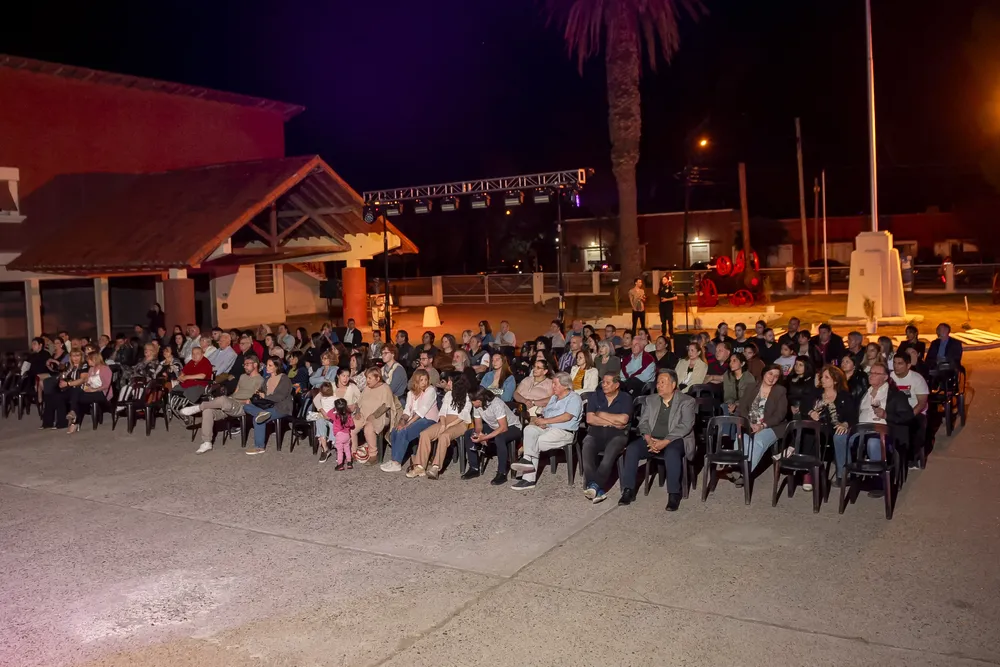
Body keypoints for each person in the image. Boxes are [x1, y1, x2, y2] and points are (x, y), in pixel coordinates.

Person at [618, 369, 696, 511]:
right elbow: (644, 423)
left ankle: (674, 494)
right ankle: (628, 490)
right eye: (658, 382)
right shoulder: (651, 400)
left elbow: (686, 425)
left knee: (672, 452)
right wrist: (649, 440)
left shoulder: (687, 401)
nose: (659, 385)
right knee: (632, 449)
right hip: (653, 438)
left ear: (673, 385)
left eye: (663, 382)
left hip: (676, 439)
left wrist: (664, 442)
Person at [510, 372, 583, 490]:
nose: (552, 386)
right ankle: (528, 461)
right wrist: (543, 421)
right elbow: (545, 413)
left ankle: (528, 477)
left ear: (565, 386)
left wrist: (546, 421)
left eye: (555, 384)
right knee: (529, 430)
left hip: (564, 431)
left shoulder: (574, 398)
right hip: (549, 428)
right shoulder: (554, 398)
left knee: (533, 443)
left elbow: (567, 417)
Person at [183, 355, 263, 454]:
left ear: (255, 365)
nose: (245, 366)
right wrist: (230, 399)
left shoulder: (260, 380)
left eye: (247, 364)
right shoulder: (242, 377)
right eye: (244, 364)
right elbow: (236, 392)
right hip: (231, 403)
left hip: (242, 406)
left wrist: (231, 400)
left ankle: (198, 407)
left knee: (222, 400)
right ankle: (207, 442)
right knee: (208, 411)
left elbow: (254, 400)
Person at [581, 372, 634, 503]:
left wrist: (600, 414)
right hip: (595, 433)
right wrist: (612, 422)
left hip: (617, 435)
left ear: (616, 385)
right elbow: (589, 419)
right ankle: (597, 490)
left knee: (608, 458)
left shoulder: (625, 398)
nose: (604, 385)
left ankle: (594, 485)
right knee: (586, 447)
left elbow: (624, 419)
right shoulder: (595, 396)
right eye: (603, 382)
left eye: (608, 383)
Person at [409, 373, 472, 479]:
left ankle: (436, 467)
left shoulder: (468, 396)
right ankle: (420, 466)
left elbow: (463, 415)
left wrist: (448, 426)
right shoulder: (448, 395)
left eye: (451, 381)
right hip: (445, 420)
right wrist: (443, 424)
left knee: (444, 436)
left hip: (459, 423)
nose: (449, 383)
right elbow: (442, 412)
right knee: (425, 434)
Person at [733, 365, 788, 485]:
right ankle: (740, 468)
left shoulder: (780, 391)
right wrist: (748, 423)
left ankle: (744, 473)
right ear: (764, 373)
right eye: (770, 374)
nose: (772, 378)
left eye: (776, 376)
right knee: (741, 441)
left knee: (758, 441)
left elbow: (780, 415)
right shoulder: (752, 387)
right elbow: (742, 408)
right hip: (750, 424)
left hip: (770, 426)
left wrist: (762, 426)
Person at [808, 365, 857, 488]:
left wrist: (845, 424)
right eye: (821, 377)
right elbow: (804, 405)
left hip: (836, 427)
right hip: (819, 426)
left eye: (826, 377)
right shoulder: (816, 392)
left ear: (835, 380)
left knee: (840, 435)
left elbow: (852, 416)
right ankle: (808, 473)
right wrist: (810, 412)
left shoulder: (844, 396)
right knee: (807, 432)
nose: (822, 380)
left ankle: (843, 475)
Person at [462, 387, 522, 484]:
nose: (471, 403)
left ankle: (501, 473)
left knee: (500, 437)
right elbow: (478, 425)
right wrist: (479, 434)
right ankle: (474, 468)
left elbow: (503, 428)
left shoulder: (496, 404)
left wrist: (485, 437)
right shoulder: (477, 406)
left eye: (472, 401)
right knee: (469, 433)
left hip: (512, 427)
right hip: (493, 426)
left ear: (479, 400)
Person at [384, 369, 439, 471]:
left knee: (404, 431)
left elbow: (422, 411)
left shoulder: (430, 390)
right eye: (421, 380)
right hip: (415, 419)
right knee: (396, 430)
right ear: (416, 381)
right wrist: (402, 421)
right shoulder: (411, 393)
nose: (424, 382)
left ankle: (397, 462)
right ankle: (393, 460)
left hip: (428, 419)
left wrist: (407, 424)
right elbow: (407, 411)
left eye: (425, 380)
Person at [240, 357, 293, 455]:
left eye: (270, 365)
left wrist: (265, 396)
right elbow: (262, 391)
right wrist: (259, 393)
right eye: (267, 365)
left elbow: (280, 396)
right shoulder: (267, 379)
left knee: (258, 418)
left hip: (280, 407)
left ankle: (259, 447)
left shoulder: (284, 379)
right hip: (267, 406)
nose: (267, 367)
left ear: (277, 367)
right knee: (246, 406)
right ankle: (261, 413)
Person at [891, 352, 929, 468]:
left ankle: (912, 456)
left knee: (914, 428)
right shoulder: (890, 377)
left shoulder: (917, 379)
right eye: (894, 363)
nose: (896, 366)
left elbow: (922, 402)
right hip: (895, 411)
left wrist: (910, 415)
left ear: (908, 365)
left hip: (915, 412)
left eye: (900, 363)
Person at [358, 366, 400, 464]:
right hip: (364, 414)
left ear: (377, 378)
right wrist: (356, 412)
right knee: (352, 426)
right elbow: (359, 402)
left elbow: (386, 405)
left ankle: (373, 455)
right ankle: (353, 451)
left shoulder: (385, 388)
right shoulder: (367, 388)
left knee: (369, 427)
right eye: (367, 378)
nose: (367, 381)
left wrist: (374, 415)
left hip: (380, 416)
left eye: (370, 378)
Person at [41, 348, 89, 430]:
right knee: (51, 395)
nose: (76, 358)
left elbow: (83, 380)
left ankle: (62, 423)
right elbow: (63, 376)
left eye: (78, 355)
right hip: (69, 388)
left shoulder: (84, 365)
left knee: (60, 396)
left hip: (79, 389)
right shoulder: (69, 366)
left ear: (82, 356)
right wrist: (62, 379)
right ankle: (47, 423)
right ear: (70, 357)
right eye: (73, 356)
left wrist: (67, 383)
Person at [66, 352, 113, 434]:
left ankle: (74, 421)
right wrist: (87, 387)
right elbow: (88, 382)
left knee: (77, 399)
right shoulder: (91, 369)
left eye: (89, 360)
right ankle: (74, 416)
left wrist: (94, 390)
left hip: (102, 393)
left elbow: (106, 385)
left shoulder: (105, 369)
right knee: (76, 391)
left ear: (95, 359)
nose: (88, 362)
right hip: (92, 391)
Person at [168, 347, 213, 415]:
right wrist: (181, 376)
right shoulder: (191, 362)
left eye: (197, 353)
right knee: (174, 390)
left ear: (202, 354)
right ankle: (175, 407)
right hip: (188, 383)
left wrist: (186, 377)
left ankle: (186, 409)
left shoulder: (205, 362)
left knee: (188, 392)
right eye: (193, 354)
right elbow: (184, 371)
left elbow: (202, 376)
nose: (194, 355)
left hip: (201, 384)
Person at [325, 398, 355, 470]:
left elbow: (328, 414)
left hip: (339, 435)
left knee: (340, 451)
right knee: (347, 449)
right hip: (347, 434)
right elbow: (351, 425)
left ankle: (340, 464)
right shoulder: (348, 415)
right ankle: (349, 463)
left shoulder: (336, 416)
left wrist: (334, 409)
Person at [657, 273, 677, 339]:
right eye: (662, 279)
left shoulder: (671, 288)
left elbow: (675, 298)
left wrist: (667, 299)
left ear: (668, 280)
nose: (663, 281)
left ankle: (671, 334)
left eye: (665, 279)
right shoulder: (661, 288)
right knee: (663, 321)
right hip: (662, 307)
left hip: (669, 307)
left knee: (670, 321)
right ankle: (663, 333)